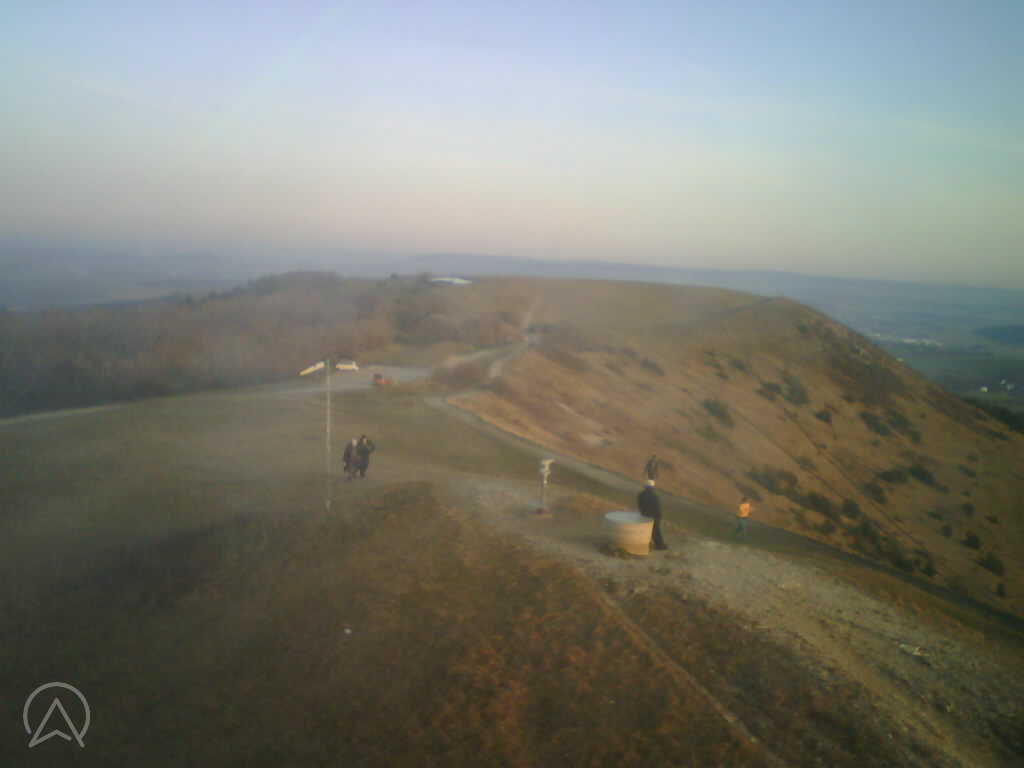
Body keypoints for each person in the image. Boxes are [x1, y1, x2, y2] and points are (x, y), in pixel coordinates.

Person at [637, 479, 668, 551]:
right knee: (656, 531)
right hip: (655, 516)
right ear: (652, 487)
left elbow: (640, 505)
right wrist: (659, 516)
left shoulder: (640, 495)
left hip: (645, 515)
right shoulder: (655, 496)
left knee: (645, 530)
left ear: (645, 487)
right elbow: (657, 507)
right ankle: (660, 545)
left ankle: (645, 543)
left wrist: (643, 512)